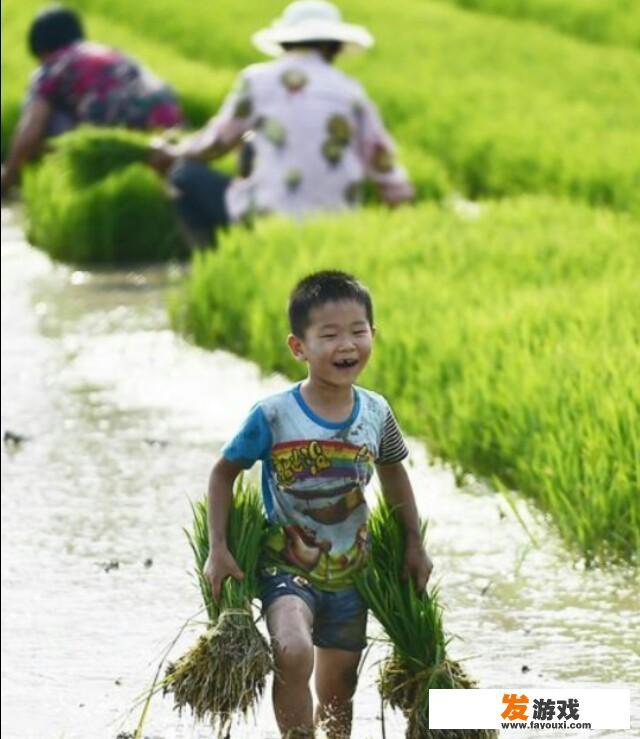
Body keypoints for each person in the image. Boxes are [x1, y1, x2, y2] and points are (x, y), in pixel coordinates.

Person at [205, 271, 432, 738]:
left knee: (338, 693)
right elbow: (223, 472)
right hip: (287, 567)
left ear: (373, 334)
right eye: (328, 335)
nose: (346, 344)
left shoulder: (376, 412)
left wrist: (414, 544)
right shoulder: (273, 415)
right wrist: (218, 547)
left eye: (358, 331)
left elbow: (394, 473)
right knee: (291, 649)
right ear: (298, 347)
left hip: (353, 574)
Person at [150, 0, 415, 247]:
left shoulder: (258, 80)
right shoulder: (352, 92)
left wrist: (174, 152)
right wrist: (406, 229)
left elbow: (216, 144)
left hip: (270, 216)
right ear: (333, 47)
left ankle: (220, 258)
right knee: (252, 144)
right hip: (340, 221)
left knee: (183, 175)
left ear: (286, 43)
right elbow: (386, 169)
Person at [1, 5, 183, 197]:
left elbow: (29, 135)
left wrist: (6, 179)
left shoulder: (51, 67)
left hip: (121, 135)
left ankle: (69, 186)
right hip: (171, 132)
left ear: (43, 50)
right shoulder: (112, 53)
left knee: (46, 117)